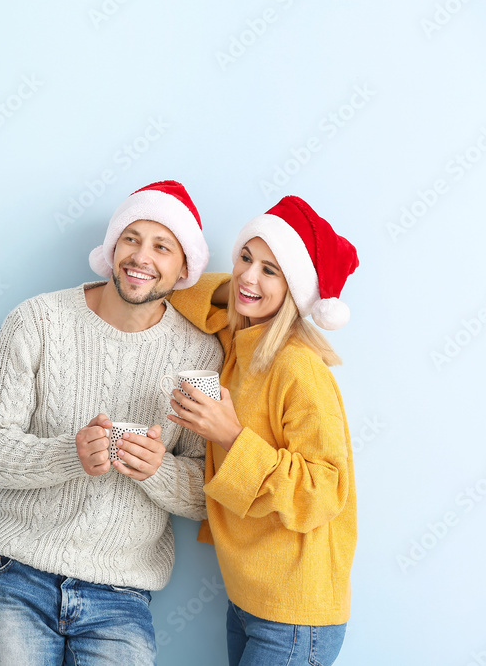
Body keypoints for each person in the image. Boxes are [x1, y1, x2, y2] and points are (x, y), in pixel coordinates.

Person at [0, 180, 224, 665]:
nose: (140, 257)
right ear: (111, 248)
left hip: (121, 595)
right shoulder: (37, 321)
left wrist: (157, 470)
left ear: (184, 268)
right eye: (131, 238)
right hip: (18, 572)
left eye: (161, 246)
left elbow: (206, 495)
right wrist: (70, 453)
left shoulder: (200, 356)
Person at [166, 196, 359, 666]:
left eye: (272, 270)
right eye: (245, 259)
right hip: (249, 598)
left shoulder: (297, 368)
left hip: (295, 613)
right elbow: (183, 291)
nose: (248, 278)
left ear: (295, 286)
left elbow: (326, 488)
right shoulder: (240, 340)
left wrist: (231, 437)